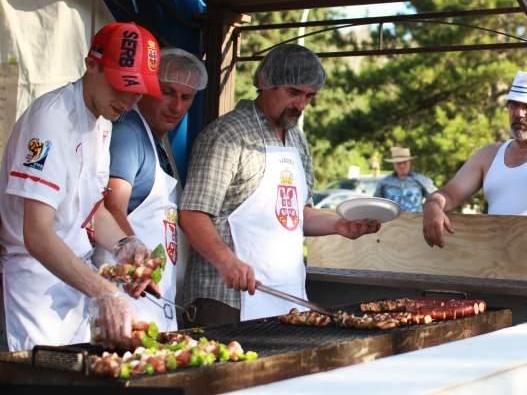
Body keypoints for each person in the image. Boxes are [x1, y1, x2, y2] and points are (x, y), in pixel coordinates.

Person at [179, 44, 380, 326]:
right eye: (294, 92)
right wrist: (227, 262)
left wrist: (339, 226)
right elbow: (192, 214)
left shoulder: (297, 139)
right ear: (264, 82)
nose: (301, 105)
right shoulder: (228, 134)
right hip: (227, 300)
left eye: (309, 96)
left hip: (287, 299)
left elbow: (297, 213)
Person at [0, 22, 160, 351]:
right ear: (92, 65)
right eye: (122, 85)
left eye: (138, 90)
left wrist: (126, 245)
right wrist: (103, 291)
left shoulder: (101, 119)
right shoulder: (52, 119)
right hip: (34, 287)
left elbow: (89, 204)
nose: (129, 101)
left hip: (73, 283)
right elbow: (37, 234)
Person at [94, 48, 207, 331]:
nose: (176, 106)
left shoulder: (156, 142)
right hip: (129, 298)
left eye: (186, 97)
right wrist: (135, 262)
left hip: (154, 300)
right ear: (146, 88)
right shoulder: (129, 134)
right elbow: (110, 207)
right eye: (167, 92)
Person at [423, 71, 527, 248]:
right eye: (514, 104)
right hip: (498, 266)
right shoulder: (489, 154)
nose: (519, 113)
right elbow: (449, 194)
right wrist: (432, 206)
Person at [373, 147, 437, 212]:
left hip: (416, 220)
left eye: (404, 162)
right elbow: (375, 205)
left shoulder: (422, 180)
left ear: (409, 162)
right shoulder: (384, 182)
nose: (402, 166)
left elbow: (436, 199)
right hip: (390, 221)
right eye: (398, 163)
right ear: (394, 163)